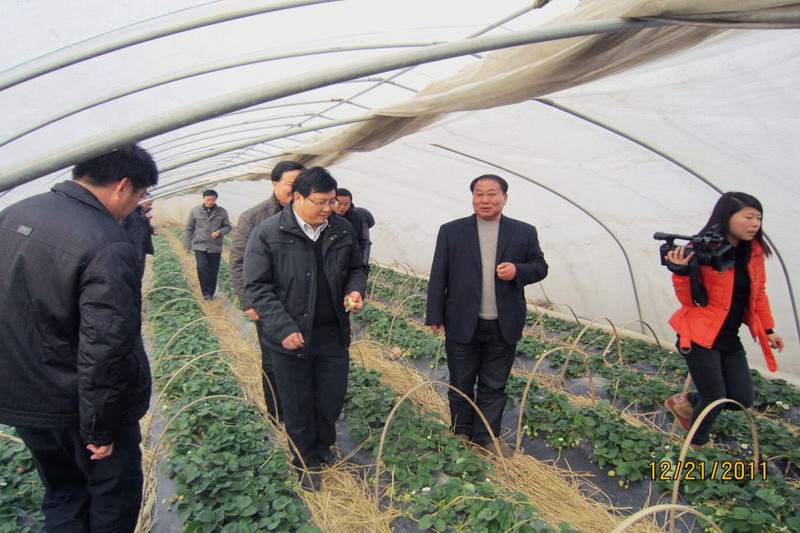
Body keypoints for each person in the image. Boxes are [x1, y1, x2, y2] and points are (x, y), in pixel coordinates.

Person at [0, 145, 158, 532]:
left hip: (24, 398)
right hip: (80, 408)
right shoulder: (106, 241)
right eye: (139, 196)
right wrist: (101, 428)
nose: (135, 207)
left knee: (63, 493)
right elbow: (105, 347)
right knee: (112, 499)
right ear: (123, 186)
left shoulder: (13, 213)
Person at [244, 167, 367, 491]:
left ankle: (323, 446)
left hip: (331, 332)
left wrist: (355, 290)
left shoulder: (341, 229)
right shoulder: (268, 232)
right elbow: (257, 287)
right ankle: (304, 460)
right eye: (320, 202)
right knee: (297, 402)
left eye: (332, 201)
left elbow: (357, 266)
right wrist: (283, 327)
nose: (328, 208)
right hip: (290, 335)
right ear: (297, 197)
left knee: (330, 397)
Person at [426, 174, 548, 457]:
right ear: (472, 198)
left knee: (494, 384)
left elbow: (540, 266)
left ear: (505, 198)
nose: (485, 200)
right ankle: (461, 431)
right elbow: (438, 274)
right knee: (461, 382)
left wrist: (518, 270)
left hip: (503, 323)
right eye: (478, 194)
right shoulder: (452, 231)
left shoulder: (523, 232)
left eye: (491, 194)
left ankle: (487, 436)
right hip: (462, 319)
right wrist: (435, 313)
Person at [663, 192, 784, 450]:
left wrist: (768, 329)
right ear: (727, 217)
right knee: (714, 397)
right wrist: (681, 272)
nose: (755, 224)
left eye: (758, 218)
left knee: (741, 397)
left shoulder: (754, 253)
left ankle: (686, 402)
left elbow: (758, 293)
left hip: (728, 336)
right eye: (748, 217)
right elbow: (690, 301)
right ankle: (696, 445)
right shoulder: (704, 249)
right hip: (698, 334)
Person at [229, 160, 304, 419]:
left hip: (301, 301)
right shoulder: (255, 217)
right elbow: (238, 262)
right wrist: (249, 303)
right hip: (269, 302)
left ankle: (299, 410)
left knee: (302, 357)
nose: (296, 190)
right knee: (273, 359)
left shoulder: (309, 215)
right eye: (291, 185)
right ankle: (277, 414)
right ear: (274, 184)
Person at [184, 189, 231, 300]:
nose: (210, 202)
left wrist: (219, 232)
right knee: (201, 267)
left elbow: (228, 227)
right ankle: (205, 293)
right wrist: (187, 245)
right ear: (203, 198)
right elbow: (189, 228)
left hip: (215, 246)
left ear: (216, 199)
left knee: (213, 270)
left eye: (213, 200)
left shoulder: (221, 212)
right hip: (199, 245)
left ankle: (211, 292)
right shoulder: (195, 211)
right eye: (208, 200)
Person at [333, 188, 370, 266]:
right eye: (339, 203)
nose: (342, 207)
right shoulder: (324, 215)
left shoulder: (356, 217)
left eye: (346, 204)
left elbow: (361, 241)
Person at [122, 197, 157, 279]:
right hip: (134, 246)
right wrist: (144, 218)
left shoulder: (140, 212)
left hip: (142, 245)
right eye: (148, 205)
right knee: (134, 271)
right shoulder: (129, 211)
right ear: (141, 201)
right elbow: (133, 226)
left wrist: (152, 230)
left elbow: (143, 226)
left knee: (139, 271)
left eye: (151, 205)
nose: (149, 207)